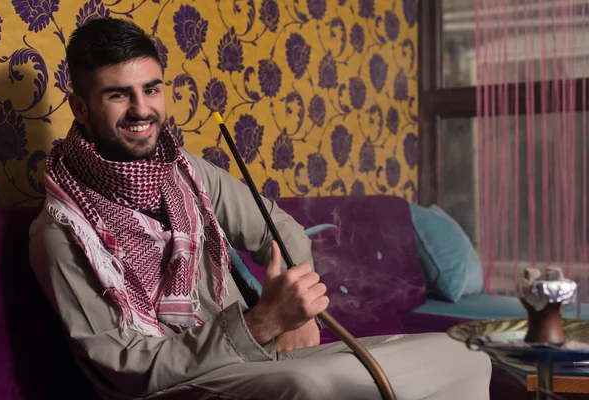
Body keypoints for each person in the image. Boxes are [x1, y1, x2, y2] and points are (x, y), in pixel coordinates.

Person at [29, 17, 491, 400]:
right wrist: (262, 322)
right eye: (117, 94)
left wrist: (297, 312)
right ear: (81, 107)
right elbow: (127, 366)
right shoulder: (61, 231)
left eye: (151, 89)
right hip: (177, 383)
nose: (141, 109)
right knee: (308, 385)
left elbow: (282, 231)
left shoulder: (185, 170)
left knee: (463, 353)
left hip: (259, 354)